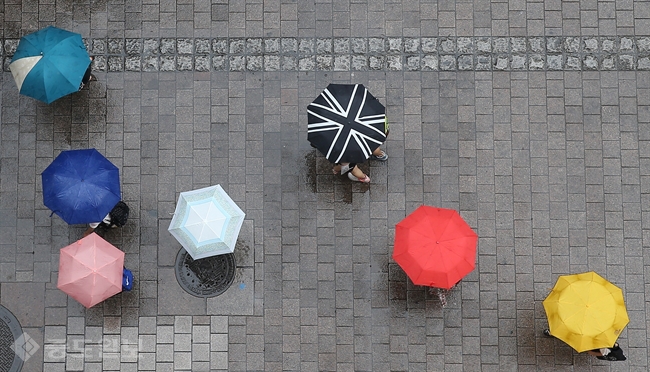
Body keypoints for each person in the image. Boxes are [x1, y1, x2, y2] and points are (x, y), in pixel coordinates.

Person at [542, 329, 627, 361]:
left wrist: (588, 349)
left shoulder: (605, 348)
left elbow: (595, 353)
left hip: (587, 338)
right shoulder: (607, 335)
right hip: (590, 336)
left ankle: (554, 332)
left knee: (571, 334)